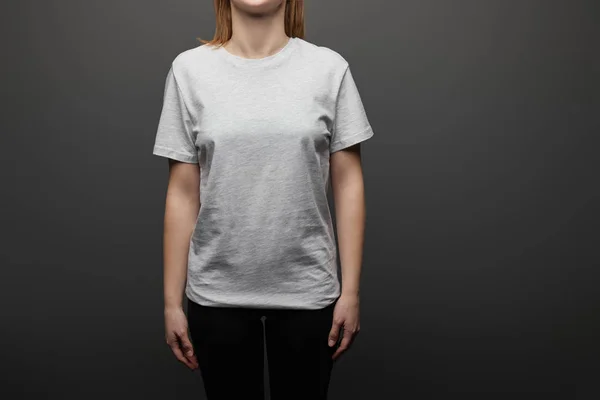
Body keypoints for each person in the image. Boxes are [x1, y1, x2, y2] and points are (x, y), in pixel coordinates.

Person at [152, 1, 374, 399]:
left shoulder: (328, 68)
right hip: (217, 293)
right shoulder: (189, 71)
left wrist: (351, 292)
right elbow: (183, 193)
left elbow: (348, 184)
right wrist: (171, 302)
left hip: (308, 292)